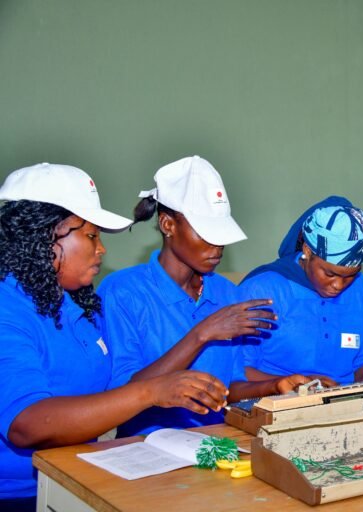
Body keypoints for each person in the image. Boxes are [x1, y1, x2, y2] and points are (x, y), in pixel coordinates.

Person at [0, 163, 229, 510]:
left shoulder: (77, 306)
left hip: (80, 473)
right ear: (44, 237)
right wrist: (151, 391)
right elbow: (26, 425)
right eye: (91, 236)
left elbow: (109, 395)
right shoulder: (8, 309)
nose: (102, 249)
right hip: (19, 494)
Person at [99, 156, 308, 437]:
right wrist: (202, 334)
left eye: (221, 234)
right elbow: (125, 393)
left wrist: (275, 386)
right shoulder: (124, 292)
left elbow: (229, 387)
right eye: (206, 233)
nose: (217, 246)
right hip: (144, 446)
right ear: (168, 225)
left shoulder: (226, 293)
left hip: (215, 443)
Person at [239, 198, 363, 386]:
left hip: (344, 396)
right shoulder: (262, 290)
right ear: (307, 251)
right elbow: (238, 369)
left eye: (350, 275)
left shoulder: (361, 289)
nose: (338, 285)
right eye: (330, 274)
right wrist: (295, 385)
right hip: (274, 397)